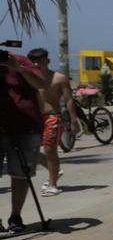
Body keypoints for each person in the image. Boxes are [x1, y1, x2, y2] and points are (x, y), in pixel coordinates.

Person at [0, 51, 46, 234]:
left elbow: (41, 84)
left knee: (21, 173)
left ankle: (15, 216)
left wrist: (19, 69)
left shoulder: (18, 60)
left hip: (25, 126)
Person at [27, 47, 80, 197]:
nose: (37, 65)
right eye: (34, 62)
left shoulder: (59, 78)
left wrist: (73, 120)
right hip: (35, 118)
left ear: (48, 61)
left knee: (50, 151)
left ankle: (53, 184)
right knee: (31, 151)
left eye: (40, 61)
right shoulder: (29, 78)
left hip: (53, 117)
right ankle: (55, 171)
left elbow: (69, 99)